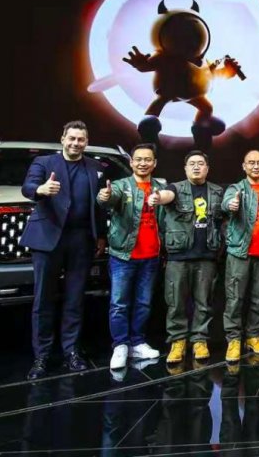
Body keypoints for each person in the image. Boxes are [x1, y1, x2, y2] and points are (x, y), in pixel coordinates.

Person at [20, 120, 106, 380]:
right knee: (43, 299)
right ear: (63, 139)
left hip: (81, 240)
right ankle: (42, 356)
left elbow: (98, 205)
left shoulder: (95, 168)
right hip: (48, 239)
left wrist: (101, 234)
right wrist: (41, 189)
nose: (75, 143)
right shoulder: (44, 163)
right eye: (72, 138)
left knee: (75, 299)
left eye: (80, 139)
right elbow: (27, 187)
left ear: (86, 142)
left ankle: (71, 352)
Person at [151, 150, 224, 364]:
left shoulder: (217, 191)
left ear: (207, 168)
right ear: (185, 168)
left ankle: (200, 340)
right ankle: (178, 341)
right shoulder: (176, 188)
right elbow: (167, 196)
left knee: (204, 302)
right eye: (192, 163)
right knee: (176, 303)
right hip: (179, 257)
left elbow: (225, 218)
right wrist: (158, 197)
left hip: (206, 256)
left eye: (200, 163)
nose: (196, 167)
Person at [96, 143, 163, 370]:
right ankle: (120, 345)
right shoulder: (120, 185)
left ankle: (137, 342)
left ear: (154, 163)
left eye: (148, 159)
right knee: (119, 304)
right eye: (138, 159)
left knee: (143, 303)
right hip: (123, 256)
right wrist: (104, 196)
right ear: (132, 162)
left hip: (151, 256)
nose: (143, 163)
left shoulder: (160, 188)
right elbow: (107, 199)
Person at [223, 150, 259, 361]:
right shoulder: (236, 189)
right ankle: (233, 339)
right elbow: (227, 203)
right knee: (235, 299)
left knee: (258, 298)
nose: (256, 166)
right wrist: (231, 204)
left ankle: (253, 336)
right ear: (244, 166)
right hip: (240, 252)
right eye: (251, 163)